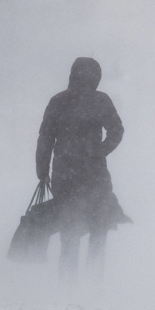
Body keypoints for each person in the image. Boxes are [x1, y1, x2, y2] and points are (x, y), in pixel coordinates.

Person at [36, 57, 129, 281]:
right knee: (98, 229)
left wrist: (43, 171)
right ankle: (94, 282)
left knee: (69, 232)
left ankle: (68, 285)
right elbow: (117, 130)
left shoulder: (58, 101)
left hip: (64, 175)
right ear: (96, 77)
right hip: (94, 174)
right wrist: (100, 150)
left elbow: (45, 139)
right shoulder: (100, 100)